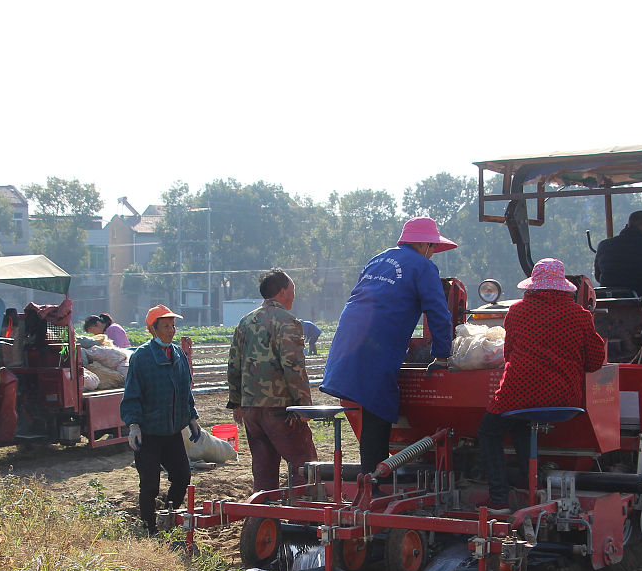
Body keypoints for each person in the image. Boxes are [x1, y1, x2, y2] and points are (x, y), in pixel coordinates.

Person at [321, 216, 456, 473]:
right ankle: (373, 481)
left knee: (371, 407)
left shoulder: (378, 259)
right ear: (425, 245)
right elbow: (438, 312)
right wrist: (442, 355)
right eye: (433, 249)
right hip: (377, 344)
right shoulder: (423, 266)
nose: (432, 254)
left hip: (347, 341)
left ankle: (372, 475)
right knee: (380, 406)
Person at [479, 258, 606, 513]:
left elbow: (508, 355)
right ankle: (533, 487)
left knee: (489, 431)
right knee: (522, 425)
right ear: (563, 287)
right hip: (564, 398)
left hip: (518, 393)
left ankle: (499, 499)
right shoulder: (580, 316)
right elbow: (594, 362)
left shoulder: (516, 312)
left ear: (532, 287)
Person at [227, 269, 318, 492]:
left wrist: (237, 402)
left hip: (252, 410)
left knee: (264, 471)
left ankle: (264, 519)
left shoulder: (245, 322)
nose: (295, 295)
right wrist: (304, 407)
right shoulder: (287, 321)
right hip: (280, 409)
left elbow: (233, 365)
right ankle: (304, 517)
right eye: (293, 289)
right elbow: (294, 367)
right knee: (304, 465)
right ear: (283, 291)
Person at [120, 304, 201, 533]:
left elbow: (186, 392)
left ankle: (168, 514)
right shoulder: (141, 358)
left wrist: (192, 418)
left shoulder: (178, 355)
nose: (170, 330)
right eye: (165, 326)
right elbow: (132, 394)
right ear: (152, 330)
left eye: (172, 325)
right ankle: (148, 526)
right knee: (150, 483)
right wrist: (134, 425)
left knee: (183, 475)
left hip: (172, 431)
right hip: (149, 432)